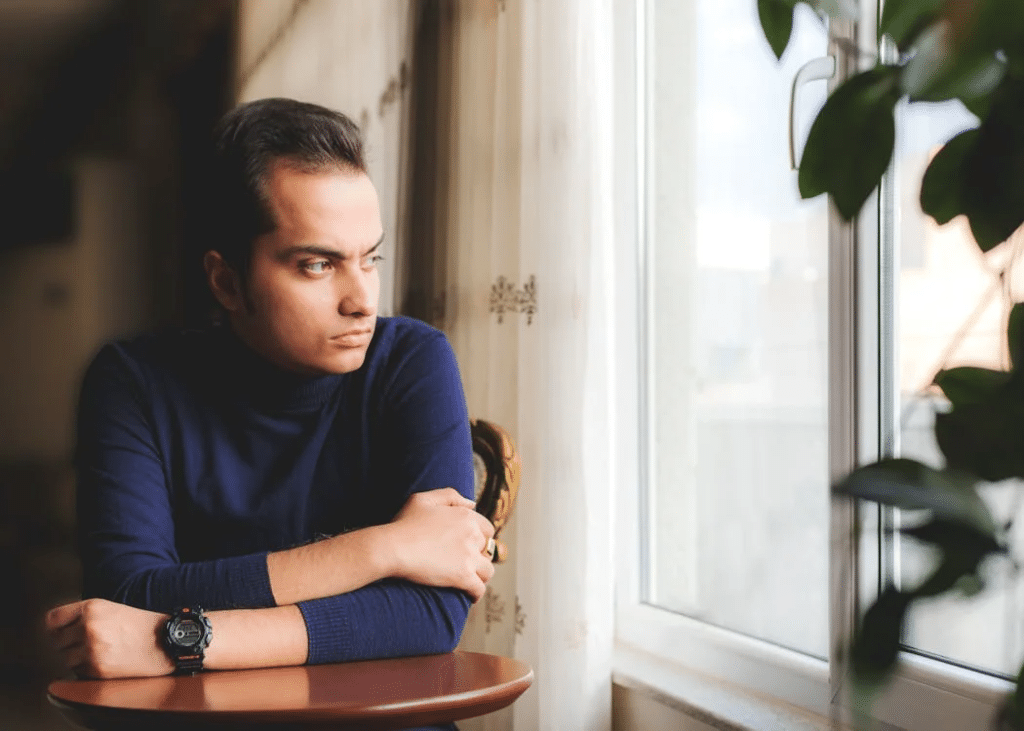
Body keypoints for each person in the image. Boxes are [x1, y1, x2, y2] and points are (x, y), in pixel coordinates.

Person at [44, 97, 497, 681]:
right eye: (317, 264)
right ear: (227, 282)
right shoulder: (133, 383)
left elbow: (430, 615)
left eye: (371, 257)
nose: (361, 300)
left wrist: (179, 642)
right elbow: (129, 594)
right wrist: (382, 549)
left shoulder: (411, 361)